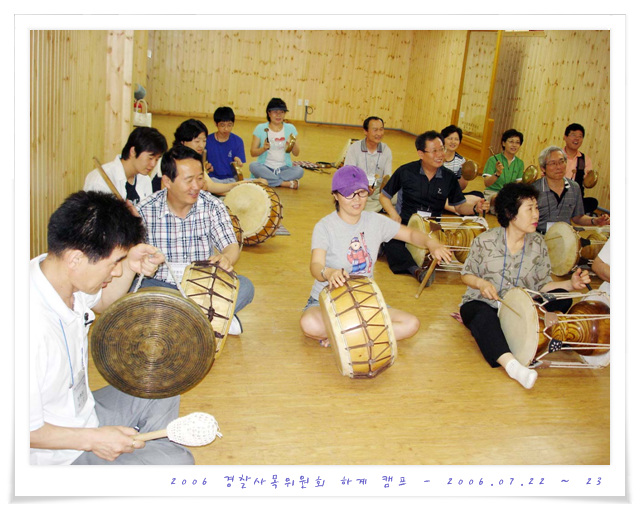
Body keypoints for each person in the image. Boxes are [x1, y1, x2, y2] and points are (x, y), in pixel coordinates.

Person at [30, 190, 194, 465]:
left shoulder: (56, 273)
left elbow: (103, 302)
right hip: (56, 451)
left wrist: (129, 265)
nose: (117, 271)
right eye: (114, 263)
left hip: (81, 413)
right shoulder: (27, 330)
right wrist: (93, 440)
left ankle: (141, 458)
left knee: (164, 378)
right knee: (178, 463)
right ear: (75, 259)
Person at [299, 166, 452, 346]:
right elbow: (316, 266)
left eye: (362, 192)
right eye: (349, 194)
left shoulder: (375, 221)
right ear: (336, 195)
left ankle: (343, 336)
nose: (357, 199)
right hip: (328, 300)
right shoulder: (324, 226)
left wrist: (431, 243)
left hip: (364, 300)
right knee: (310, 323)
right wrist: (328, 272)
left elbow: (411, 234)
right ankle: (359, 334)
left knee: (411, 324)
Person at [459, 182, 591, 389]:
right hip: (485, 304)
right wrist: (481, 283)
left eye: (536, 208)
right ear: (510, 213)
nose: (536, 214)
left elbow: (543, 286)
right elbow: (466, 275)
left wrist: (571, 284)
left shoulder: (538, 243)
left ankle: (529, 334)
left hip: (523, 306)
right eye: (529, 209)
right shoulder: (485, 241)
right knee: (481, 316)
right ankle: (513, 366)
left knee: (562, 297)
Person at [136, 145, 254, 334]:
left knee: (245, 286)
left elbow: (231, 246)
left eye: (200, 178)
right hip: (162, 287)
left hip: (204, 287)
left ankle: (177, 322)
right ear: (167, 181)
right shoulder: (144, 211)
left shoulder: (212, 205)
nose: (196, 186)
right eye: (189, 180)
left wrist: (226, 258)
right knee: (136, 289)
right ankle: (213, 319)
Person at [379, 130, 488, 283]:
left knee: (440, 250)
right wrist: (393, 214)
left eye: (441, 149)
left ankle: (398, 254)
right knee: (393, 242)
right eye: (434, 151)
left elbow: (459, 207)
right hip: (406, 222)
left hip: (433, 227)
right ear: (421, 154)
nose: (440, 154)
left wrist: (475, 208)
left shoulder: (449, 177)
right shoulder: (405, 171)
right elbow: (384, 196)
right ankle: (415, 270)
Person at [158, 119, 265, 197]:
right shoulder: (176, 160)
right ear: (183, 142)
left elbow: (211, 186)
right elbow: (211, 186)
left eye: (204, 141)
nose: (201, 145)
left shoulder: (193, 159)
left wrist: (243, 185)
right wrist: (242, 185)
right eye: (197, 141)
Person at [532, 146, 609, 234]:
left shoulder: (574, 187)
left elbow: (577, 217)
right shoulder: (534, 189)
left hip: (565, 236)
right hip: (538, 236)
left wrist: (595, 221)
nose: (558, 167)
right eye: (553, 163)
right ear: (543, 168)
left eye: (561, 162)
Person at [84, 126, 167, 205]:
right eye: (150, 158)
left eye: (157, 159)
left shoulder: (145, 180)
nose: (153, 164)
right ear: (133, 151)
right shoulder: (100, 180)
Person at [249, 97, 304, 189]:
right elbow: (253, 153)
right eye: (275, 112)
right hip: (265, 168)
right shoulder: (260, 128)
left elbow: (296, 153)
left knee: (299, 170)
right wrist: (263, 148)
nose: (278, 115)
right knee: (253, 166)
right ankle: (283, 183)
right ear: (269, 113)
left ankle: (267, 180)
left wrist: (292, 144)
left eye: (282, 112)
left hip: (284, 169)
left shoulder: (290, 128)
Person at [343, 116, 393, 212]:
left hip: (378, 190)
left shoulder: (386, 150)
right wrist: (363, 187)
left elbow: (387, 177)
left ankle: (378, 204)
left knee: (402, 193)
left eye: (381, 129)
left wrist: (383, 187)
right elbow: (349, 175)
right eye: (375, 130)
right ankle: (383, 205)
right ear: (365, 131)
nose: (379, 133)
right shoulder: (354, 148)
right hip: (358, 188)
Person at [441, 124, 484, 212]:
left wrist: (464, 174)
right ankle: (457, 210)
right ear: (442, 140)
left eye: (456, 139)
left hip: (452, 196)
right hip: (436, 193)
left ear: (460, 142)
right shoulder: (435, 156)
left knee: (479, 196)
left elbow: (461, 188)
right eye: (450, 138)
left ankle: (452, 207)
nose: (453, 142)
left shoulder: (461, 160)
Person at [483, 128, 524, 213]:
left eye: (517, 142)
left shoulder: (520, 163)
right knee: (500, 199)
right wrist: (497, 174)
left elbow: (518, 184)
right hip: (492, 193)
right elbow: (487, 183)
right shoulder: (493, 160)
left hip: (510, 196)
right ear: (503, 143)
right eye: (511, 141)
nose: (514, 145)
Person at [562, 123, 599, 214]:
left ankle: (570, 210)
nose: (577, 139)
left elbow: (587, 182)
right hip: (556, 195)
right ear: (565, 137)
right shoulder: (556, 155)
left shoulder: (585, 159)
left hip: (575, 198)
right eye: (573, 135)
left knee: (593, 202)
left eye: (580, 136)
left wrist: (589, 178)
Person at [205, 106, 247, 183]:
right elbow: (201, 163)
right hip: (213, 179)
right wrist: (206, 167)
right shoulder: (207, 141)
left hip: (232, 179)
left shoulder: (238, 141)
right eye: (222, 125)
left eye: (229, 125)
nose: (226, 129)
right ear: (216, 124)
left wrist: (238, 163)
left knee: (260, 182)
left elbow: (239, 162)